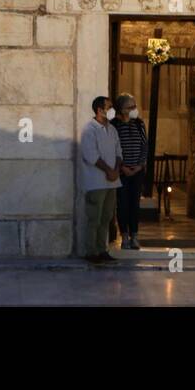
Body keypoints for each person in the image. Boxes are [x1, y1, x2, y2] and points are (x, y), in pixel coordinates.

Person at [80, 95, 122, 264]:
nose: (112, 110)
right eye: (109, 107)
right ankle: (91, 251)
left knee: (106, 217)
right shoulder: (89, 129)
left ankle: (102, 249)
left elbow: (119, 151)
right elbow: (91, 155)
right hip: (96, 182)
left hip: (112, 181)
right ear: (99, 110)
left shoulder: (112, 129)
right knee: (94, 218)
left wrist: (116, 170)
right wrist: (108, 170)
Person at [112, 93, 148, 250]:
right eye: (131, 107)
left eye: (134, 106)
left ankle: (135, 236)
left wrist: (140, 165)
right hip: (122, 172)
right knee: (123, 204)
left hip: (137, 171)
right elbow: (112, 148)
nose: (134, 109)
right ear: (122, 109)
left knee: (135, 204)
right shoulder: (114, 125)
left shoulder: (139, 123)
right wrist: (122, 167)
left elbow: (144, 145)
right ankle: (124, 236)